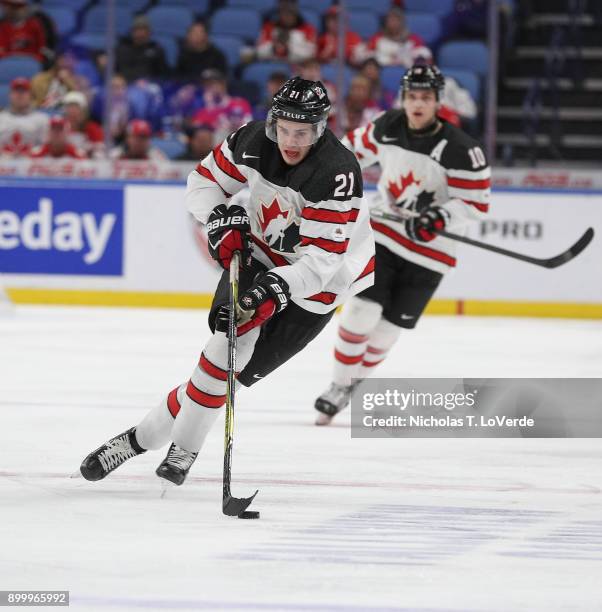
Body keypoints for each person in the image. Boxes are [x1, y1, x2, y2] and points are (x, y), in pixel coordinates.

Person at [79, 77, 375, 486]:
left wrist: (278, 287)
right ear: (273, 122)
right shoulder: (252, 138)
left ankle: (135, 439)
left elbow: (323, 261)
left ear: (320, 128)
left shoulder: (337, 173)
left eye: (302, 132)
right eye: (284, 129)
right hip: (258, 255)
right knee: (223, 352)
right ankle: (183, 450)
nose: (290, 141)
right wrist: (217, 217)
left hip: (320, 287)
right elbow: (203, 183)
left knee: (226, 379)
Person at [314, 64, 490, 425]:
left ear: (438, 101)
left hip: (433, 252)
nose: (418, 104)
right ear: (404, 99)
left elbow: (475, 204)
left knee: (388, 330)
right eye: (413, 96)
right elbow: (348, 155)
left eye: (426, 97)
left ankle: (353, 385)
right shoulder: (388, 125)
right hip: (386, 235)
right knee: (362, 310)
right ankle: (339, 384)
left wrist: (440, 217)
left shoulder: (462, 149)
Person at [190, 69, 253, 143]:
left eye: (213, 84)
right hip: (214, 147)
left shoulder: (239, 103)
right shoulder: (201, 109)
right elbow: (197, 127)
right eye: (206, 85)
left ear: (223, 84)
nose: (210, 88)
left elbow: (248, 127)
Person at [367, 7, 432, 67]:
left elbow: (425, 59)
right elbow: (368, 58)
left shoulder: (414, 39)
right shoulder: (376, 38)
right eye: (390, 20)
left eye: (396, 20)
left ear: (402, 22)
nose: (393, 23)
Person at [0, 77, 48, 157]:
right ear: (10, 95)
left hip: (32, 164)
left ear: (30, 95)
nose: (20, 94)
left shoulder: (42, 119)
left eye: (24, 91)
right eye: (16, 91)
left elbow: (46, 147)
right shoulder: (1, 118)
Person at [115, 15, 168, 83]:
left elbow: (163, 75)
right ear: (132, 32)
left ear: (149, 32)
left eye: (143, 29)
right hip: (123, 87)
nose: (140, 33)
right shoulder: (121, 49)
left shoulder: (156, 50)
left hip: (147, 87)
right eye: (137, 29)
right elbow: (114, 71)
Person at [61, 91, 104, 158]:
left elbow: (100, 151)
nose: (72, 111)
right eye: (70, 107)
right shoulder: (59, 128)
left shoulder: (93, 128)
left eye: (76, 107)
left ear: (83, 110)